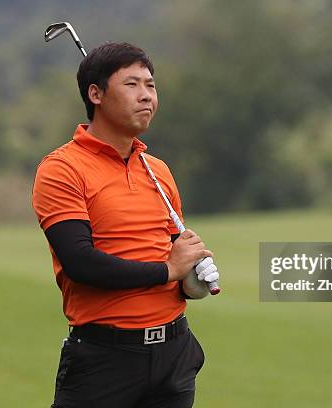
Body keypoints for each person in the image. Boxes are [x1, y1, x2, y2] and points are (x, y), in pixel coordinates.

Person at [32, 42, 220, 408]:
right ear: (95, 94)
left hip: (173, 356)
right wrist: (168, 270)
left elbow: (172, 257)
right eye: (132, 85)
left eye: (150, 85)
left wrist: (191, 280)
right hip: (104, 360)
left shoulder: (158, 170)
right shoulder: (61, 169)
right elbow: (81, 263)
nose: (146, 96)